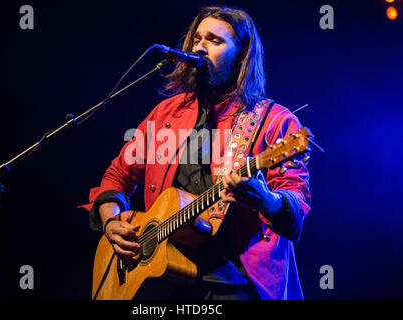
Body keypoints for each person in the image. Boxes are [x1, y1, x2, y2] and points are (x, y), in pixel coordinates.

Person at [81, 6, 311, 300]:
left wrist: (266, 200)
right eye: (197, 38)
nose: (200, 47)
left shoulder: (274, 121)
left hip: (235, 281)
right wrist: (111, 221)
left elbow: (296, 201)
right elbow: (117, 175)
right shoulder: (167, 113)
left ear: (241, 56)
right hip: (164, 276)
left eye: (215, 41)